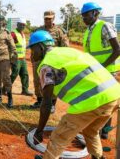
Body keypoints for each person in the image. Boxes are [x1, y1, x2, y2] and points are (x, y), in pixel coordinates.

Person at [28, 30, 120, 159]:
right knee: (91, 130)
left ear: (41, 46)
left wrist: (39, 131)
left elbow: (47, 103)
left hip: (93, 101)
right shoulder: (68, 51)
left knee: (59, 136)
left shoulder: (46, 65)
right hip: (115, 94)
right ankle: (98, 156)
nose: (31, 54)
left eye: (32, 49)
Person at [81, 2, 120, 139]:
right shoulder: (88, 30)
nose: (83, 18)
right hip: (95, 71)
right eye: (82, 16)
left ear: (95, 13)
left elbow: (117, 50)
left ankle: (104, 132)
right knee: (96, 100)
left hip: (108, 71)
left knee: (106, 101)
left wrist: (102, 67)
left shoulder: (104, 26)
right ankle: (95, 129)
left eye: (86, 15)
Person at [31, 10, 69, 113]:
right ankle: (39, 100)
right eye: (46, 18)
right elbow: (33, 45)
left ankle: (52, 104)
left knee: (51, 82)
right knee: (37, 81)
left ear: (53, 18)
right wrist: (33, 59)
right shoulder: (38, 30)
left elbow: (65, 47)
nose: (47, 20)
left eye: (49, 18)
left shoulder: (59, 31)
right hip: (39, 60)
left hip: (53, 61)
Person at [10, 18, 32, 96]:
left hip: (23, 58)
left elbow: (22, 46)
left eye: (24, 25)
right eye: (21, 25)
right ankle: (6, 89)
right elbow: (9, 45)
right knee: (14, 73)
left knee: (25, 74)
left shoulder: (22, 34)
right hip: (16, 58)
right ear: (17, 24)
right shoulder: (13, 33)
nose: (22, 26)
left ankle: (25, 90)